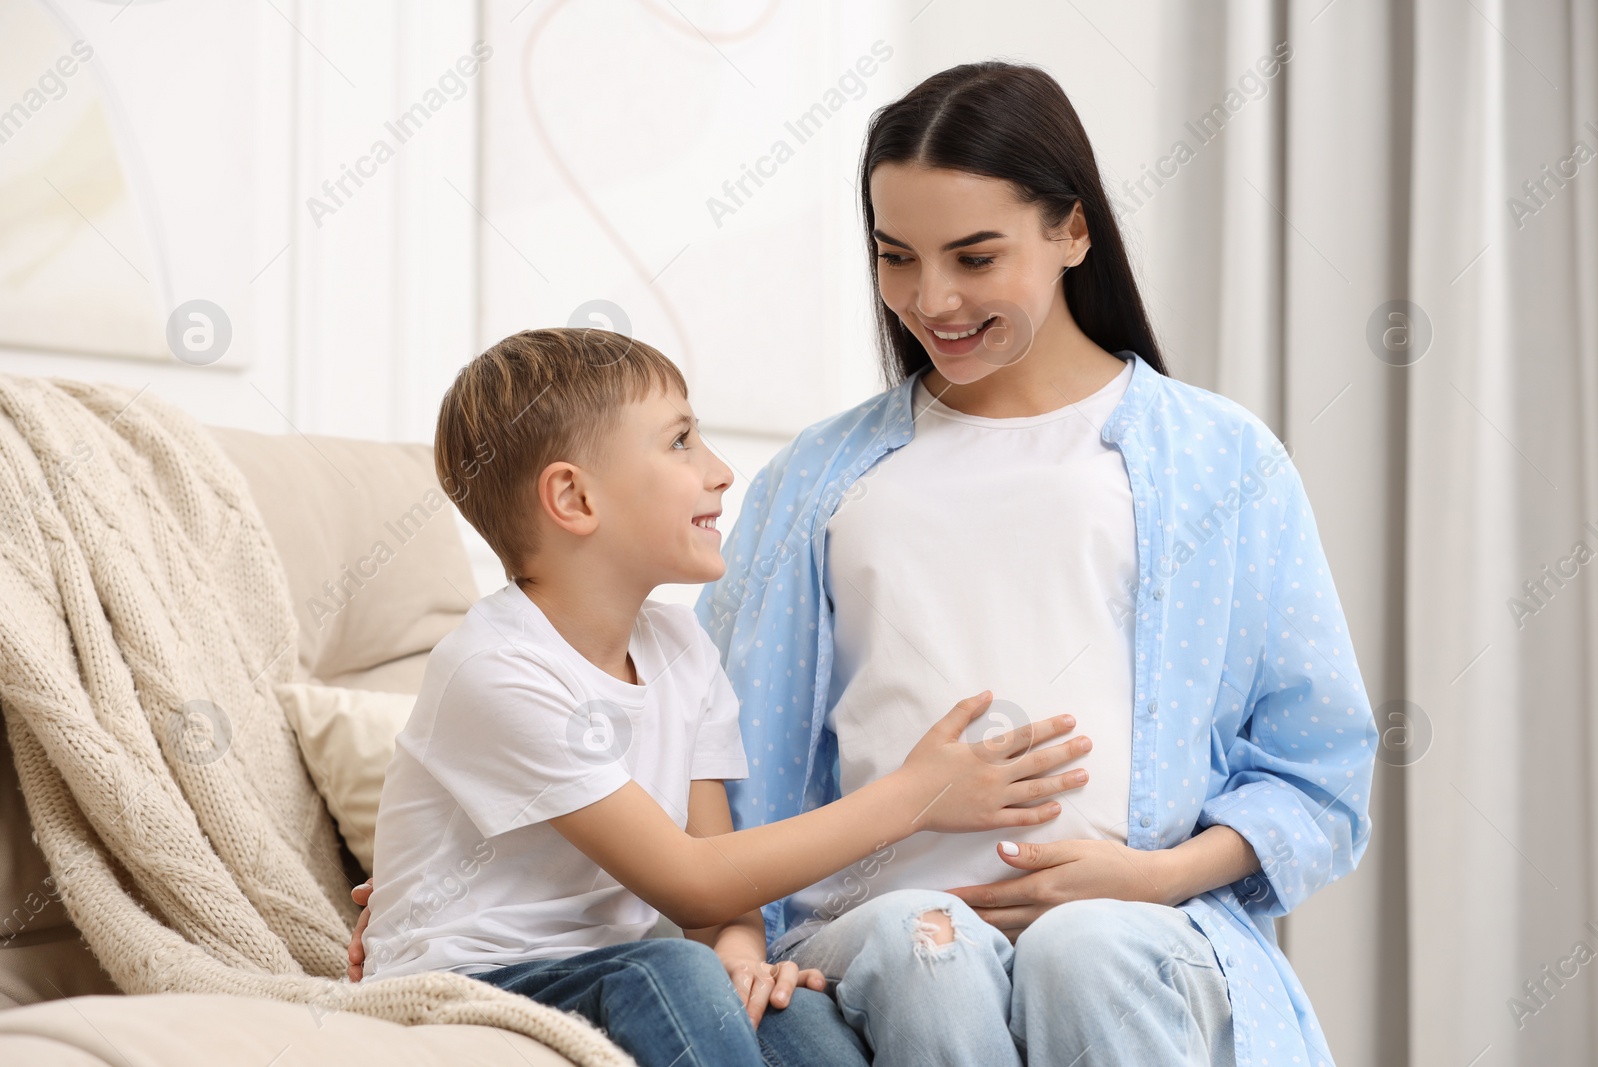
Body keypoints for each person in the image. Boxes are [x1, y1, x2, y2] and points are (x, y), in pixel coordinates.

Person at [692, 61, 1378, 1067]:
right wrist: (735, 925)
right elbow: (714, 742)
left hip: (1141, 931)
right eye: (895, 256)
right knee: (919, 941)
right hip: (874, 928)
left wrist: (1154, 877)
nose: (931, 298)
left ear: (1072, 229)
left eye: (974, 256)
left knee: (1083, 947)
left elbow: (1317, 773)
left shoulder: (1222, 461)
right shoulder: (817, 477)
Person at [352, 327, 1094, 1067]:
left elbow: (722, 889)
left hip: (622, 967)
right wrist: (917, 795)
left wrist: (742, 957)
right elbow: (691, 880)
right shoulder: (496, 666)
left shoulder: (682, 649)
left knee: (802, 1019)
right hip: (475, 977)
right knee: (668, 970)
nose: (721, 471)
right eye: (680, 443)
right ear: (573, 496)